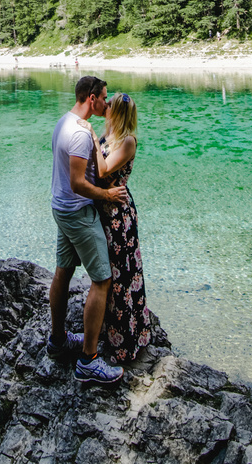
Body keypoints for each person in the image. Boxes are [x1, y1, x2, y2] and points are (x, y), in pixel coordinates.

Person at [49, 75, 127, 386]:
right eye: (104, 98)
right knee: (102, 279)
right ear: (91, 98)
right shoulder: (80, 135)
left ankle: (57, 341)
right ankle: (89, 360)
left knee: (63, 271)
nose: (107, 104)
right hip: (78, 213)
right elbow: (78, 183)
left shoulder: (63, 122)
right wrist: (108, 195)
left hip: (60, 208)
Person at [91, 92, 151, 362]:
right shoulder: (107, 138)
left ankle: (127, 342)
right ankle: (109, 333)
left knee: (122, 274)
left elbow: (103, 171)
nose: (106, 106)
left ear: (118, 112)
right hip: (104, 210)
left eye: (110, 104)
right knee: (109, 274)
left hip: (119, 216)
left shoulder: (127, 142)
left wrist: (91, 139)